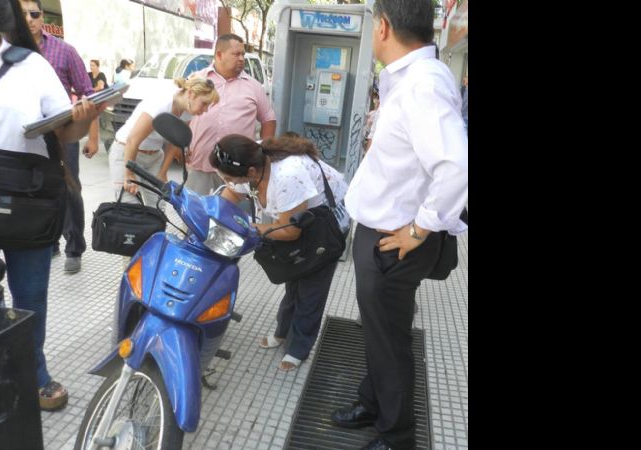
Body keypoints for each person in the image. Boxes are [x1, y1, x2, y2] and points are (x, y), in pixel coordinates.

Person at [330, 1, 468, 449]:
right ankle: (374, 401)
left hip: (394, 240)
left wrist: (419, 229)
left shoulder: (421, 86)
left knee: (390, 342)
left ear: (384, 26)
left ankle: (397, 436)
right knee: (379, 331)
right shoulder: (409, 80)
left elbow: (457, 167)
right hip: (382, 234)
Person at [0, 0, 103, 411]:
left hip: (29, 202)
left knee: (30, 297)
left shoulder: (31, 65)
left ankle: (33, 370)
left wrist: (83, 117)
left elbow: (66, 131)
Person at [209, 133, 348, 372]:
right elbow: (231, 194)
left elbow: (290, 232)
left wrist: (252, 229)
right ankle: (282, 331)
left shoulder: (287, 176)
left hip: (326, 226)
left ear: (251, 172)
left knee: (311, 288)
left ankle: (299, 348)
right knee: (292, 279)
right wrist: (212, 218)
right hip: (297, 219)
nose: (227, 181)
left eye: (229, 177)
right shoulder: (249, 159)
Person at [22, 0, 99, 274]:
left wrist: (93, 137)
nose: (29, 19)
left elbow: (88, 95)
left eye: (34, 14)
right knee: (32, 190)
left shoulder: (63, 50)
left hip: (63, 134)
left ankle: (74, 248)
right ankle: (48, 241)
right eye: (23, 14)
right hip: (23, 139)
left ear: (42, 16)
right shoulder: (9, 52)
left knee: (69, 190)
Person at [185, 33, 276, 195]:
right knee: (196, 214)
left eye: (243, 54)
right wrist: (180, 147)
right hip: (201, 166)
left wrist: (262, 153)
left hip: (238, 171)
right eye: (236, 54)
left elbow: (268, 120)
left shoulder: (253, 87)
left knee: (235, 217)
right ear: (219, 55)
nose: (241, 58)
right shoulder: (198, 80)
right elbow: (182, 115)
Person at [109, 77, 219, 206]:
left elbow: (174, 141)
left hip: (154, 156)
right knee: (130, 207)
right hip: (127, 152)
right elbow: (132, 140)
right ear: (191, 94)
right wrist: (129, 174)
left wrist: (163, 172)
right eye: (204, 104)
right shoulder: (161, 104)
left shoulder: (188, 111)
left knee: (159, 205)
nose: (205, 110)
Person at [363, 88, 380, 154]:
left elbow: (372, 135)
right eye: (376, 98)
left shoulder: (378, 113)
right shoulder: (373, 113)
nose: (377, 101)